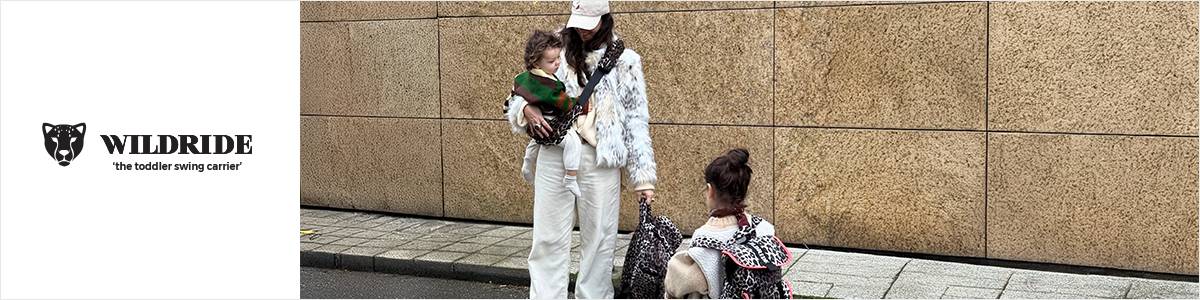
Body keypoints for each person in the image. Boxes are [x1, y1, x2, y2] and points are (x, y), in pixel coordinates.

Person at [503, 0, 657, 298]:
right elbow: (519, 90)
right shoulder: (553, 48)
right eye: (579, 24)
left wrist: (643, 179)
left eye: (590, 24)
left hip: (601, 160)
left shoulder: (626, 60)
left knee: (600, 239)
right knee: (547, 238)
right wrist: (525, 111)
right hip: (555, 153)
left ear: (605, 19)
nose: (583, 32)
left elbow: (636, 121)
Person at [663, 149, 785, 298]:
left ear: (710, 191)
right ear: (744, 191)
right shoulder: (765, 229)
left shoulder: (703, 238)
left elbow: (678, 286)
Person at [511, 30, 583, 198]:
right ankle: (571, 177)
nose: (557, 63)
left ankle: (527, 165)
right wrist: (580, 103)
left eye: (559, 58)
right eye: (552, 61)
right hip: (552, 123)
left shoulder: (523, 77)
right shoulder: (549, 84)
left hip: (537, 125)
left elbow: (515, 93)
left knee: (535, 142)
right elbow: (564, 104)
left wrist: (523, 105)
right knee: (573, 143)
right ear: (536, 63)